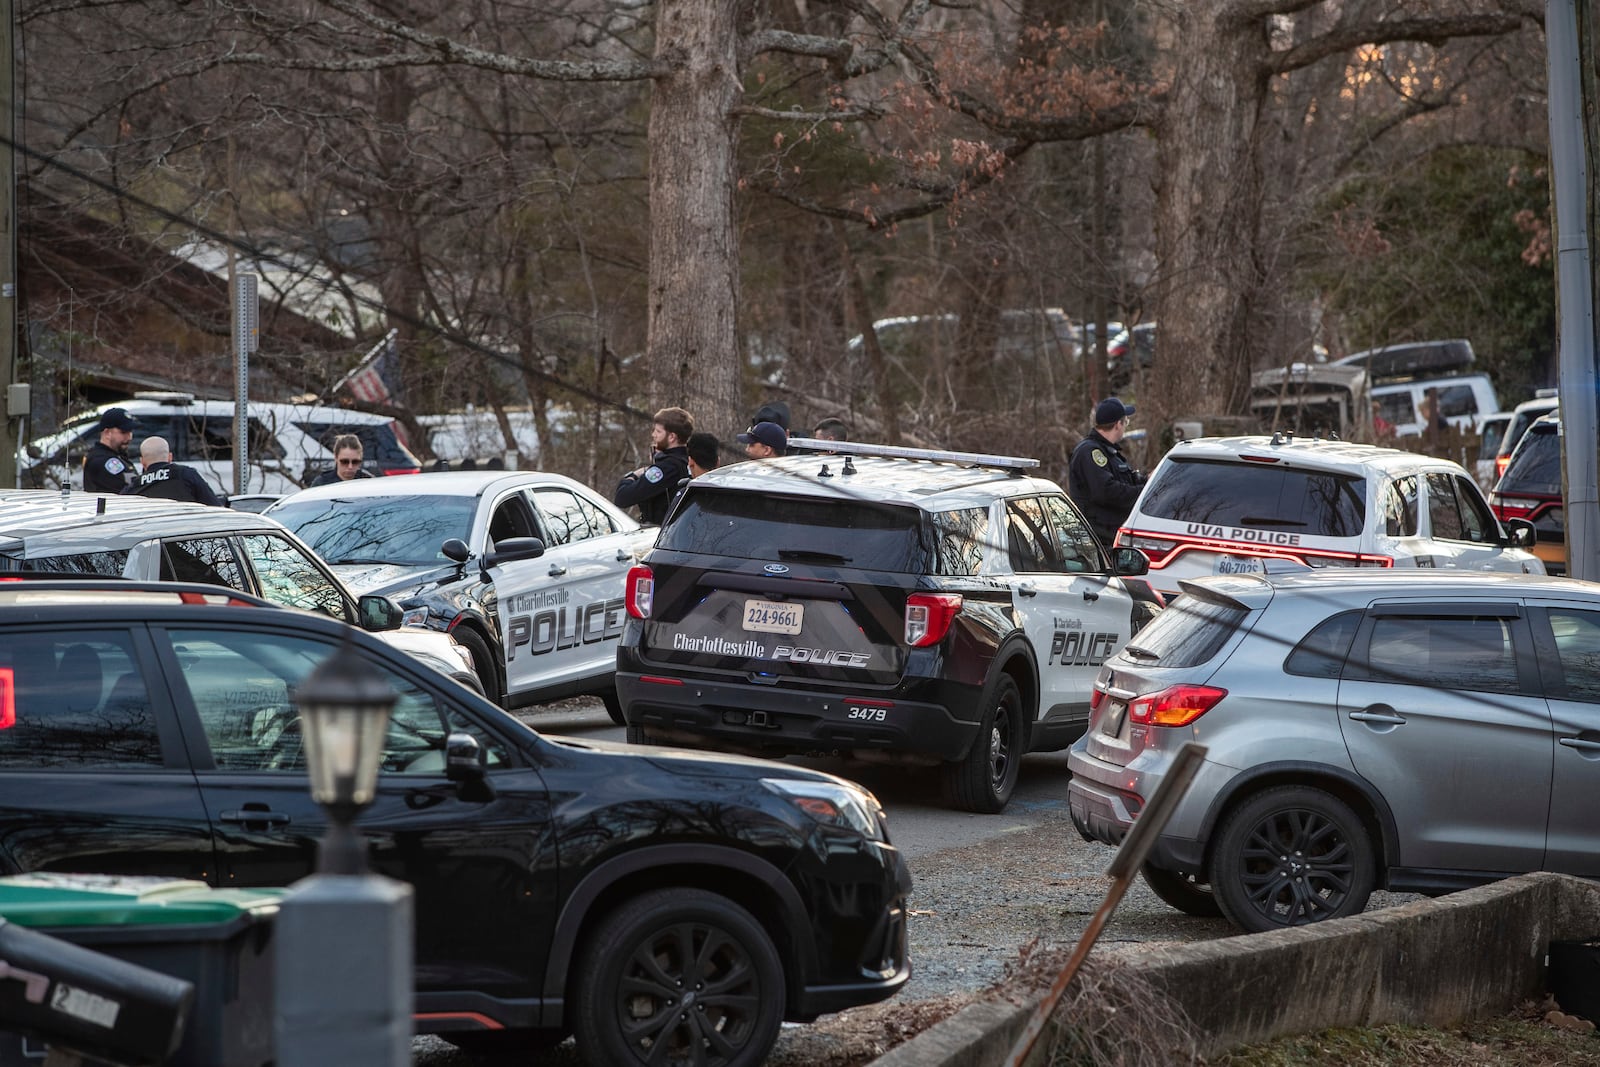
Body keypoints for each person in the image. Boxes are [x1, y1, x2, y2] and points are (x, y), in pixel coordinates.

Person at [1068, 397, 1146, 548]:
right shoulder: (1089, 452)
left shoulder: (1110, 452)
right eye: (1126, 422)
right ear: (1118, 424)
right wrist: (1143, 494)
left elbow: (1125, 480)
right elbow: (1106, 491)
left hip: (1113, 536)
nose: (1125, 427)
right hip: (1099, 541)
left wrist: (1148, 481)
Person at [614, 406, 694, 524]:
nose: (653, 435)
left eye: (658, 431)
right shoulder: (689, 460)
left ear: (672, 437)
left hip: (661, 533)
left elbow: (622, 497)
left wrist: (634, 475)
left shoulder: (667, 467)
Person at [121, 436, 225, 506]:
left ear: (142, 461)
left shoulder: (133, 487)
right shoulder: (185, 474)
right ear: (170, 457)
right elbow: (214, 507)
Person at [82, 407, 139, 493]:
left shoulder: (117, 456)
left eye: (130, 431)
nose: (129, 437)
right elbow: (131, 490)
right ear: (107, 433)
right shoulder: (101, 460)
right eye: (123, 432)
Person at [310, 434, 376, 486]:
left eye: (355, 462)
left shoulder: (368, 482)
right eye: (345, 462)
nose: (350, 467)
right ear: (336, 458)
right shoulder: (322, 483)